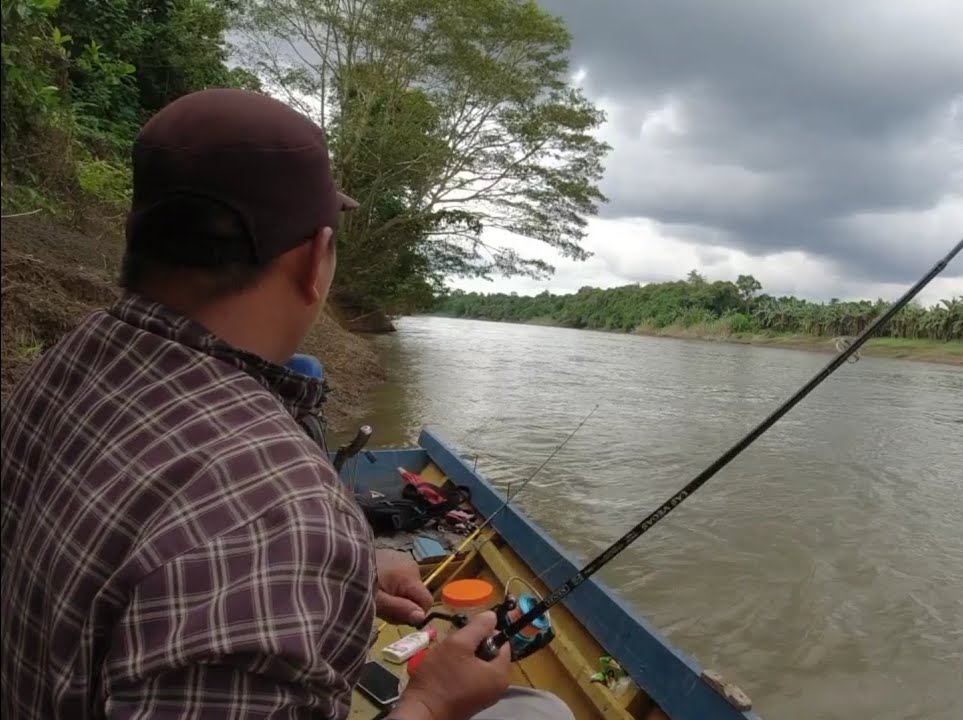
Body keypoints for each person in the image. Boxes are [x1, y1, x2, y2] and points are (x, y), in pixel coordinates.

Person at [0, 88, 573, 720]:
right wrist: (434, 701)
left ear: (137, 235)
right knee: (539, 712)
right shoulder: (282, 514)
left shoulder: (72, 357)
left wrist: (352, 567)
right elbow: (239, 531)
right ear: (313, 261)